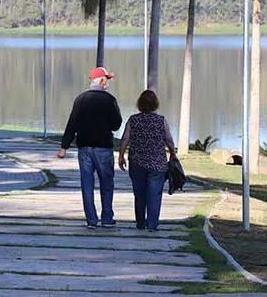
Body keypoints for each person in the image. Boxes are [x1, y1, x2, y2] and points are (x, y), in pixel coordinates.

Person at [57, 67, 123, 229]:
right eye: (106, 79)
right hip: (103, 148)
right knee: (106, 183)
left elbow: (72, 124)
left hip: (84, 148)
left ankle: (91, 220)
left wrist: (64, 147)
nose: (107, 82)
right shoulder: (109, 100)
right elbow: (116, 124)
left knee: (87, 184)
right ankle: (107, 218)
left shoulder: (80, 99)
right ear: (101, 81)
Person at [118, 90, 177, 232]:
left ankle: (140, 223)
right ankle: (152, 224)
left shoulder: (133, 120)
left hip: (137, 163)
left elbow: (125, 138)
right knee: (155, 195)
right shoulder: (161, 120)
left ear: (140, 104)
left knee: (139, 194)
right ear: (155, 104)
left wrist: (121, 155)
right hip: (157, 163)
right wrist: (172, 153)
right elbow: (168, 139)